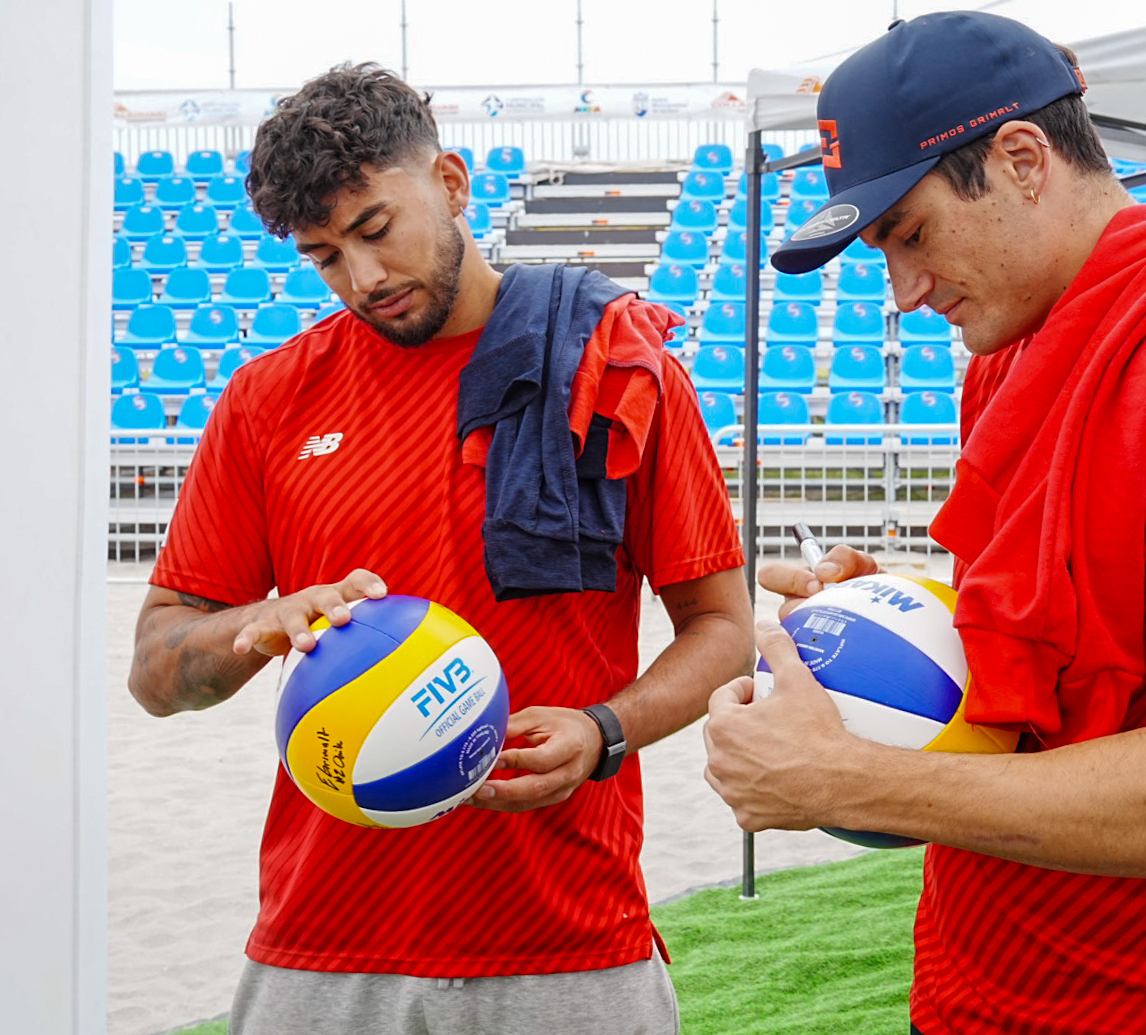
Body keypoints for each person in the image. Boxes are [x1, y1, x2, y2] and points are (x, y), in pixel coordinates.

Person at [703, 12, 1146, 1035]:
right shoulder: (1011, 350)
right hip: (980, 977)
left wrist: (851, 781)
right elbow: (1078, 639)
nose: (904, 291)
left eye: (910, 233)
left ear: (1022, 159)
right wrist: (911, 615)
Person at [128, 63, 752, 1035]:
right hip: (320, 948)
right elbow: (156, 674)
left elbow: (722, 629)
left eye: (376, 229)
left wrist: (605, 729)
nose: (363, 279)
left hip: (569, 941)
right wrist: (261, 624)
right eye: (325, 257)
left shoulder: (618, 367)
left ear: (452, 183)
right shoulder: (265, 401)